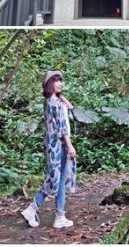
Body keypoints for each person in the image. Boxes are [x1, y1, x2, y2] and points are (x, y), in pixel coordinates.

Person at [21, 70, 77, 229]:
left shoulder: (50, 101)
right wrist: (70, 145)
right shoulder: (54, 103)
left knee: (59, 178)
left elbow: (70, 107)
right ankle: (33, 208)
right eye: (56, 80)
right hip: (59, 144)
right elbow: (62, 127)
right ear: (49, 84)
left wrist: (61, 97)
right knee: (55, 178)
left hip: (52, 144)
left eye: (60, 80)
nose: (60, 83)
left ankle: (59, 216)